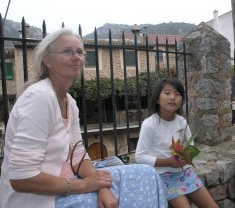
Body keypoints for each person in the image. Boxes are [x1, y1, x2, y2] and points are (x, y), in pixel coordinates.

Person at [0, 28, 168, 208]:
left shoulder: (69, 102)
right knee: (125, 195)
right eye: (67, 51)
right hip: (38, 199)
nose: (76, 57)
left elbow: (77, 154)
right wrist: (86, 185)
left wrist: (100, 185)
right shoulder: (40, 98)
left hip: (68, 183)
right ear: (46, 60)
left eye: (80, 52)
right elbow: (21, 178)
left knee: (146, 174)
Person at [135, 77, 219, 208]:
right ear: (157, 99)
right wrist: (167, 162)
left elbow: (190, 144)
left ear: (182, 101)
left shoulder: (182, 122)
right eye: (167, 93)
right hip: (163, 176)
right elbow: (139, 156)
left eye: (177, 94)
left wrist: (186, 155)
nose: (172, 97)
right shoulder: (150, 124)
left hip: (185, 172)